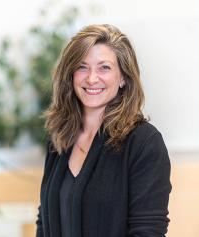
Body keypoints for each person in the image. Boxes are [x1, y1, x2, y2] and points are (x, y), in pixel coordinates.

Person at [36, 24, 171, 237]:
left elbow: (147, 231)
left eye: (104, 67)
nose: (91, 78)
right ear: (70, 76)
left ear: (123, 78)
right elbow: (45, 221)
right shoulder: (59, 137)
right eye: (82, 67)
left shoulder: (144, 142)